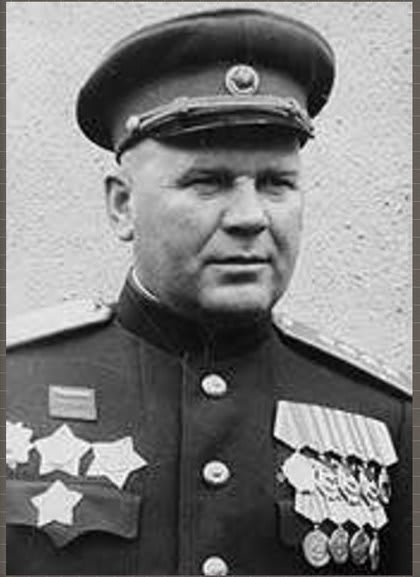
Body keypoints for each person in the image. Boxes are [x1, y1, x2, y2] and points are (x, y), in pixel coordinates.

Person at [6, 8, 411, 576]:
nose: (250, 217)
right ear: (122, 205)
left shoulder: (384, 417)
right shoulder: (16, 385)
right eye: (208, 182)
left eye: (276, 183)